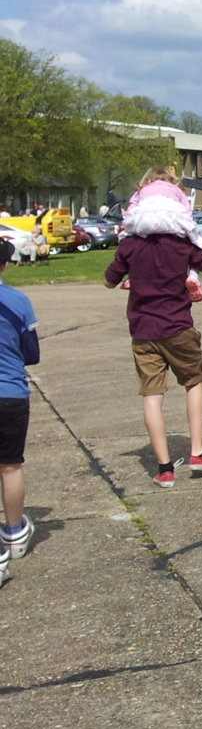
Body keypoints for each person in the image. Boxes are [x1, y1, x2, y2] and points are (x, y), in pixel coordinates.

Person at [103, 208, 202, 487]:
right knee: (193, 382)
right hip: (178, 326)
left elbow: (109, 281)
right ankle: (198, 452)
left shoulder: (129, 246)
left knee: (152, 395)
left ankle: (164, 468)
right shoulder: (182, 245)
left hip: (143, 331)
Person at [0, 240, 39, 587]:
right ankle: (14, 531)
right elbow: (32, 353)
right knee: (10, 465)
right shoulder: (18, 301)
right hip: (10, 393)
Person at [122, 165, 202, 302]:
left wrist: (129, 228)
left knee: (130, 248)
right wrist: (188, 230)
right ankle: (193, 276)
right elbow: (187, 211)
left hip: (145, 224)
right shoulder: (177, 190)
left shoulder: (141, 191)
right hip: (171, 224)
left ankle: (132, 277)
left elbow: (131, 210)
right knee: (197, 247)